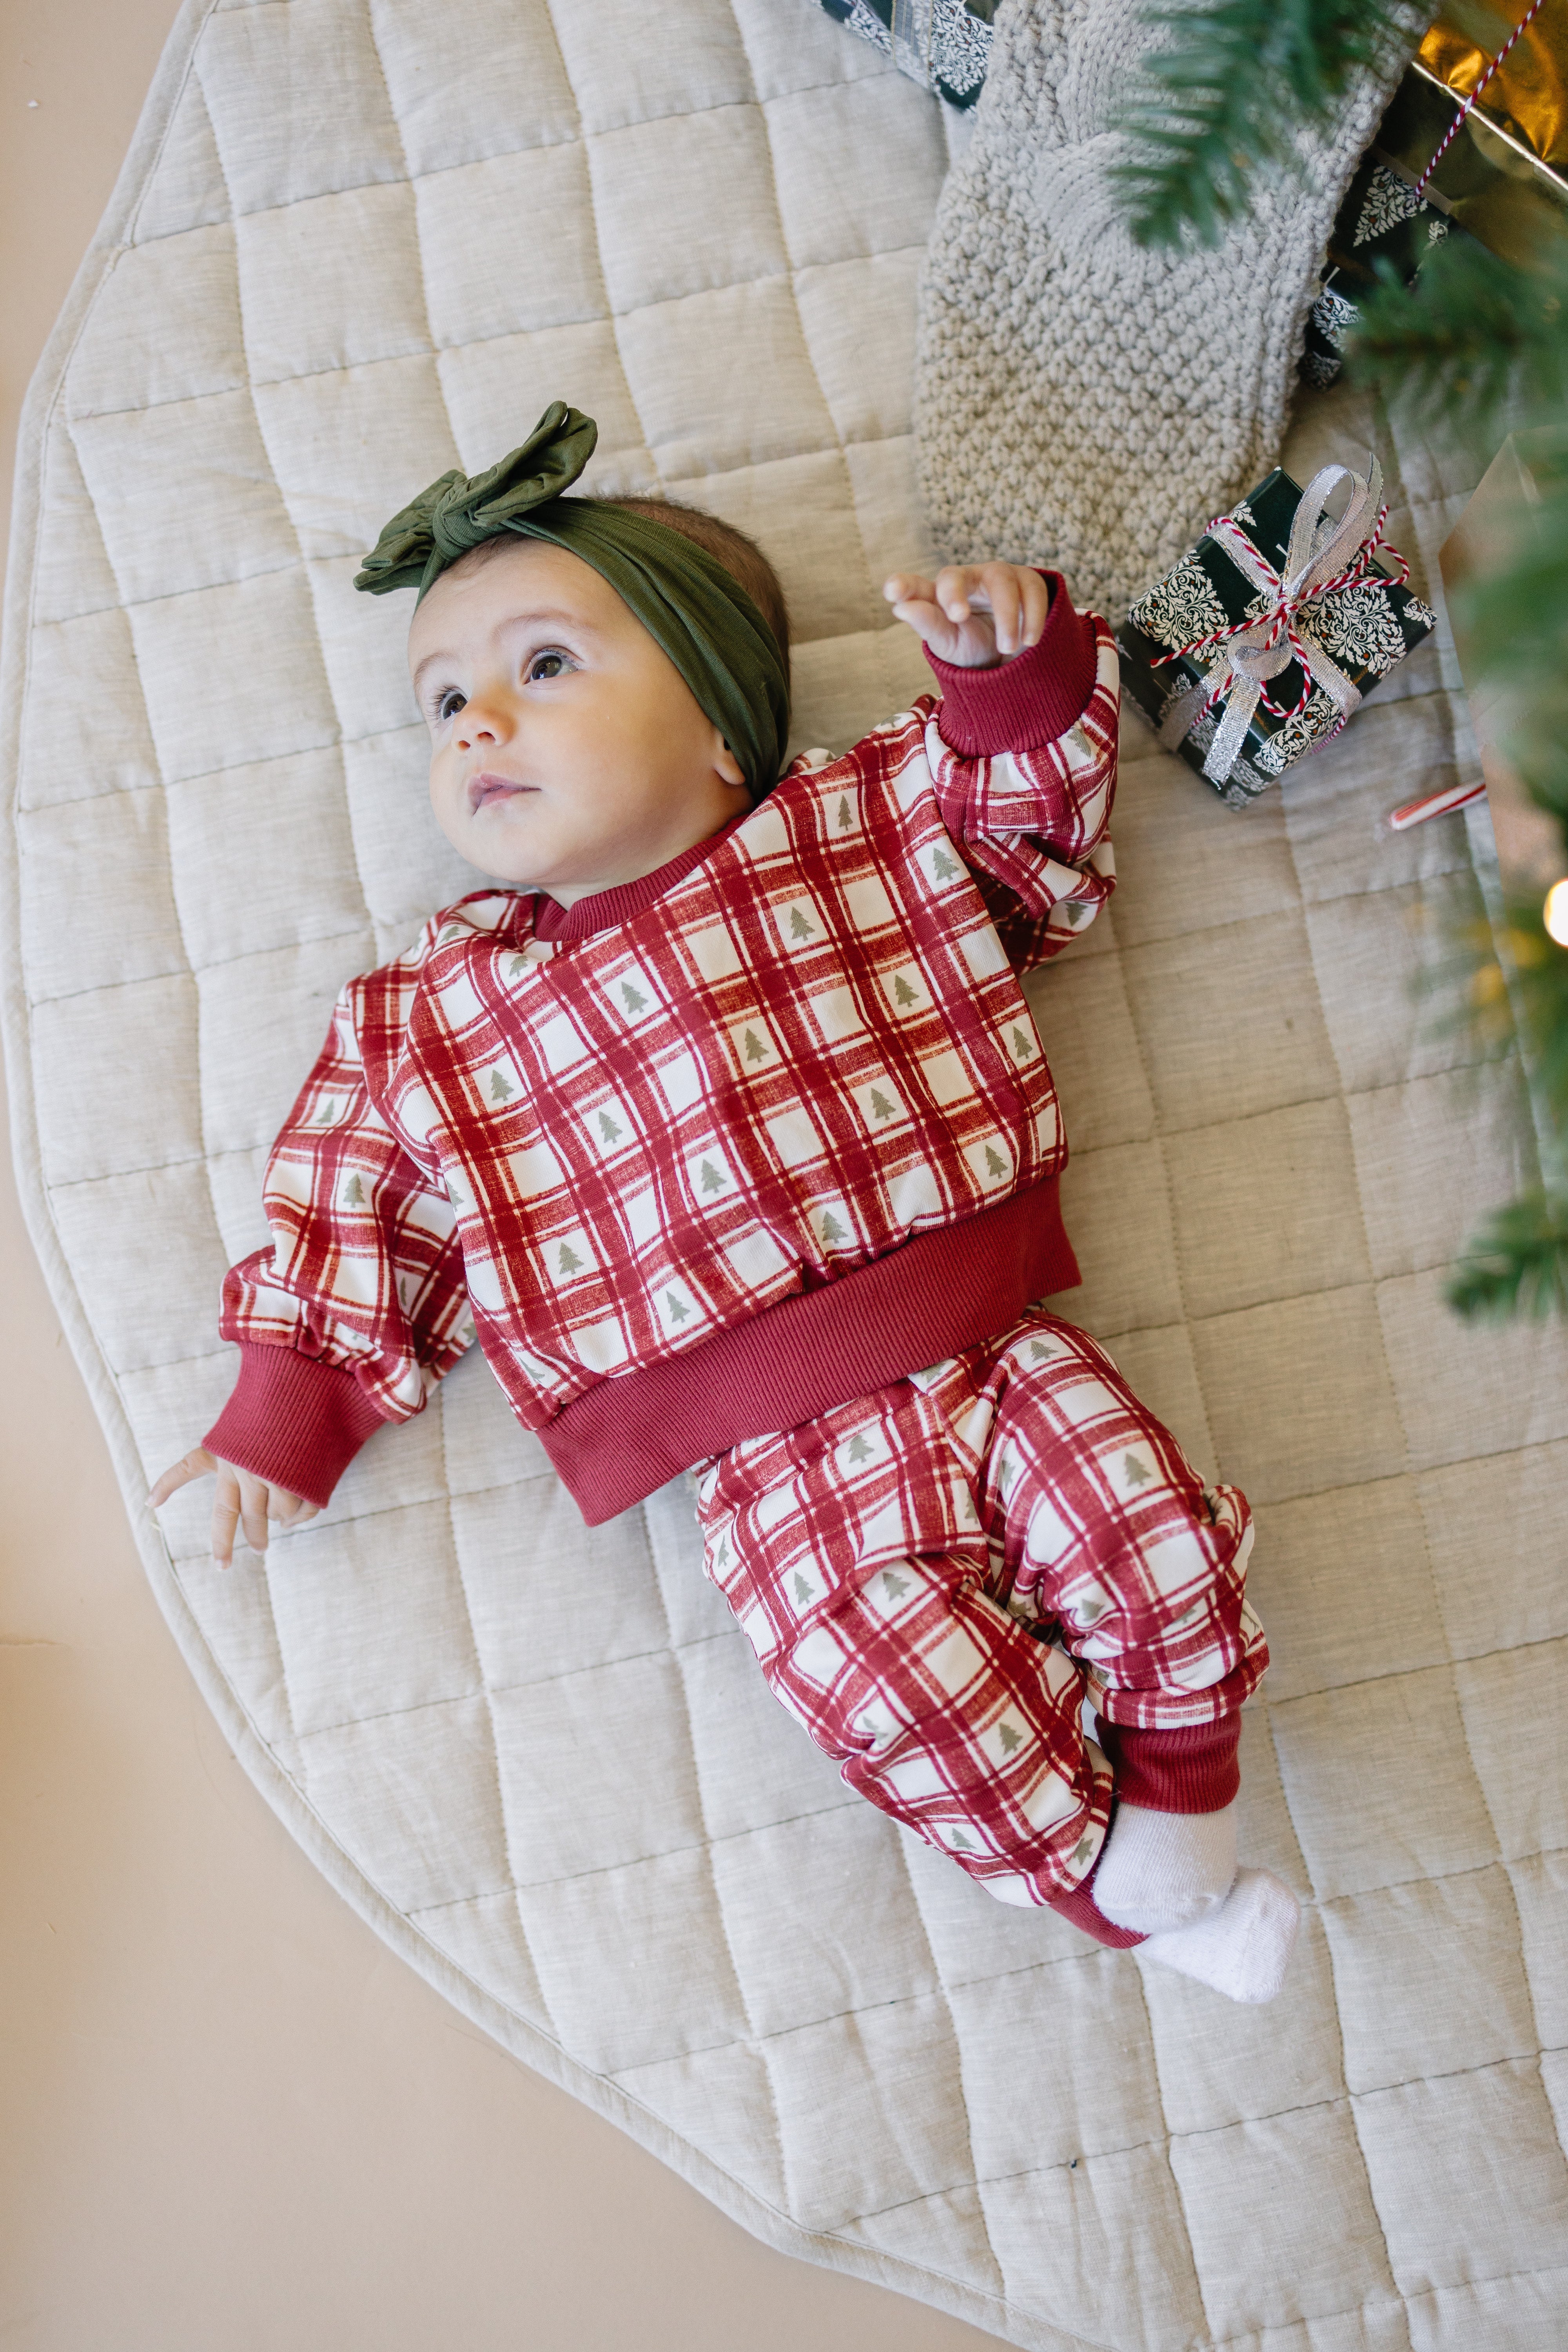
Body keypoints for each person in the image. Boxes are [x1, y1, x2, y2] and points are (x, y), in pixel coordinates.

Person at [151, 403, 1299, 2003]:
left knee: (1150, 1537)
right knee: (883, 1683)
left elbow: (1025, 833)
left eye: (542, 667)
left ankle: (1182, 1809)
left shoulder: (853, 829)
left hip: (984, 1340)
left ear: (718, 727)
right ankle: (1121, 1893)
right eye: (442, 705)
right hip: (756, 1461)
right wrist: (283, 1408)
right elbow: (363, 1196)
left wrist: (1010, 681)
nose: (478, 723)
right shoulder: (433, 1015)